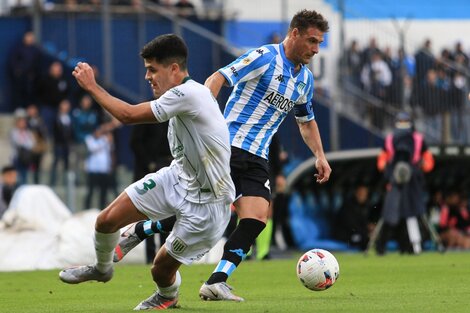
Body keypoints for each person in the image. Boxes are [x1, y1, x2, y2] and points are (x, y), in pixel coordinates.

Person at [113, 9, 332, 302]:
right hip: (227, 147)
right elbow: (218, 77)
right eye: (312, 41)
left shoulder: (304, 80)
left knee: (256, 218)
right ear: (294, 33)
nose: (316, 49)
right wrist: (207, 116)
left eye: (319, 43)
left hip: (257, 156)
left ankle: (216, 280)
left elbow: (306, 122)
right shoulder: (264, 57)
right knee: (206, 212)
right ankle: (143, 229)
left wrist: (320, 155)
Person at [58, 34, 235, 311]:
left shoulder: (187, 94)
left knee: (160, 270)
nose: (147, 77)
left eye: (152, 69)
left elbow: (127, 115)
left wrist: (92, 86)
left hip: (208, 203)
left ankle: (168, 295)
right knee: (106, 221)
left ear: (174, 69)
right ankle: (102, 269)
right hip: (177, 178)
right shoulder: (185, 95)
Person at [374, 111, 435, 255]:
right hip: (396, 179)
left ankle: (412, 246)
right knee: (390, 214)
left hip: (412, 180)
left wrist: (420, 166)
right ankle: (381, 247)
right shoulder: (390, 139)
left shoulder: (418, 139)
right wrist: (388, 170)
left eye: (405, 122)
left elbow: (428, 161)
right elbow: (382, 161)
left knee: (412, 213)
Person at [129, 122, 173, 264]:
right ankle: (150, 256)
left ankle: (163, 254)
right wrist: (149, 163)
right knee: (147, 214)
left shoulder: (171, 111)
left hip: (166, 168)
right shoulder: (147, 113)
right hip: (147, 172)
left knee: (167, 213)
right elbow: (135, 142)